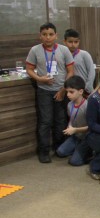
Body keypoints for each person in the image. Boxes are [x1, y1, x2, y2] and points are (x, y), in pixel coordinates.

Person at [26, 22, 74, 163]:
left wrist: (63, 90)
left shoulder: (64, 50)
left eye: (51, 34)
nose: (48, 37)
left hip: (61, 90)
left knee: (60, 121)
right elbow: (29, 69)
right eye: (44, 35)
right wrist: (39, 78)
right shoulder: (35, 50)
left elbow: (71, 71)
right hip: (44, 91)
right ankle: (44, 151)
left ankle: (59, 148)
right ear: (40, 36)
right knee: (45, 122)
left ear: (56, 36)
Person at [55, 75, 91, 166]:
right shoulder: (69, 105)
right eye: (67, 92)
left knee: (74, 162)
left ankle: (89, 153)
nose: (68, 95)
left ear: (81, 91)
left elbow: (92, 127)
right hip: (76, 136)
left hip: (87, 137)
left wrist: (75, 130)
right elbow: (71, 119)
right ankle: (78, 151)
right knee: (60, 152)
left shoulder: (87, 106)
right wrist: (70, 126)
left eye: (71, 92)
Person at [63, 28, 95, 94]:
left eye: (76, 42)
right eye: (70, 42)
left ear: (79, 42)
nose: (73, 44)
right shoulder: (62, 56)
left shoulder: (84, 54)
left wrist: (87, 87)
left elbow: (91, 71)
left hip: (85, 90)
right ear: (65, 41)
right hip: (70, 90)